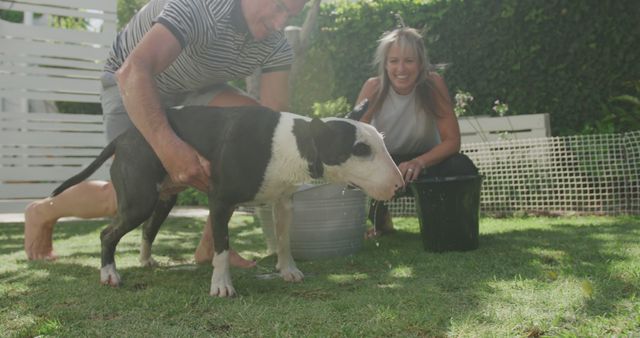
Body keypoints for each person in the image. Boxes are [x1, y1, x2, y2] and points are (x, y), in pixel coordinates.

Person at [24, 0, 308, 265]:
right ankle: (42, 211)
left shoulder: (276, 45)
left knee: (254, 130)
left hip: (195, 90)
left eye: (290, 15)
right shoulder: (198, 9)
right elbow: (134, 71)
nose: (280, 22)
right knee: (123, 196)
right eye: (279, 7)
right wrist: (169, 149)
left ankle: (211, 247)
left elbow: (274, 121)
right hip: (132, 79)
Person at [354, 27, 478, 237]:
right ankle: (379, 220)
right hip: (387, 164)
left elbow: (452, 141)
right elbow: (353, 140)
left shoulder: (433, 84)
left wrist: (419, 162)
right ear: (385, 64)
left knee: (461, 165)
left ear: (420, 63)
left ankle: (453, 223)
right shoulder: (373, 88)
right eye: (394, 61)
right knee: (353, 170)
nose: (401, 68)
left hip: (428, 163)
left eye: (409, 60)